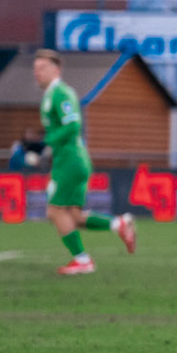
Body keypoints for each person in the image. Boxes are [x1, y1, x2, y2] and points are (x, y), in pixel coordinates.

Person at [34, 48, 137, 275]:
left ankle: (82, 260)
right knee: (74, 216)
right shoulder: (53, 94)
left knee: (55, 212)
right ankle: (118, 224)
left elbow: (72, 125)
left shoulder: (60, 93)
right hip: (71, 160)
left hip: (70, 161)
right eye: (36, 68)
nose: (37, 72)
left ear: (56, 70)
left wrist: (45, 143)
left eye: (42, 68)